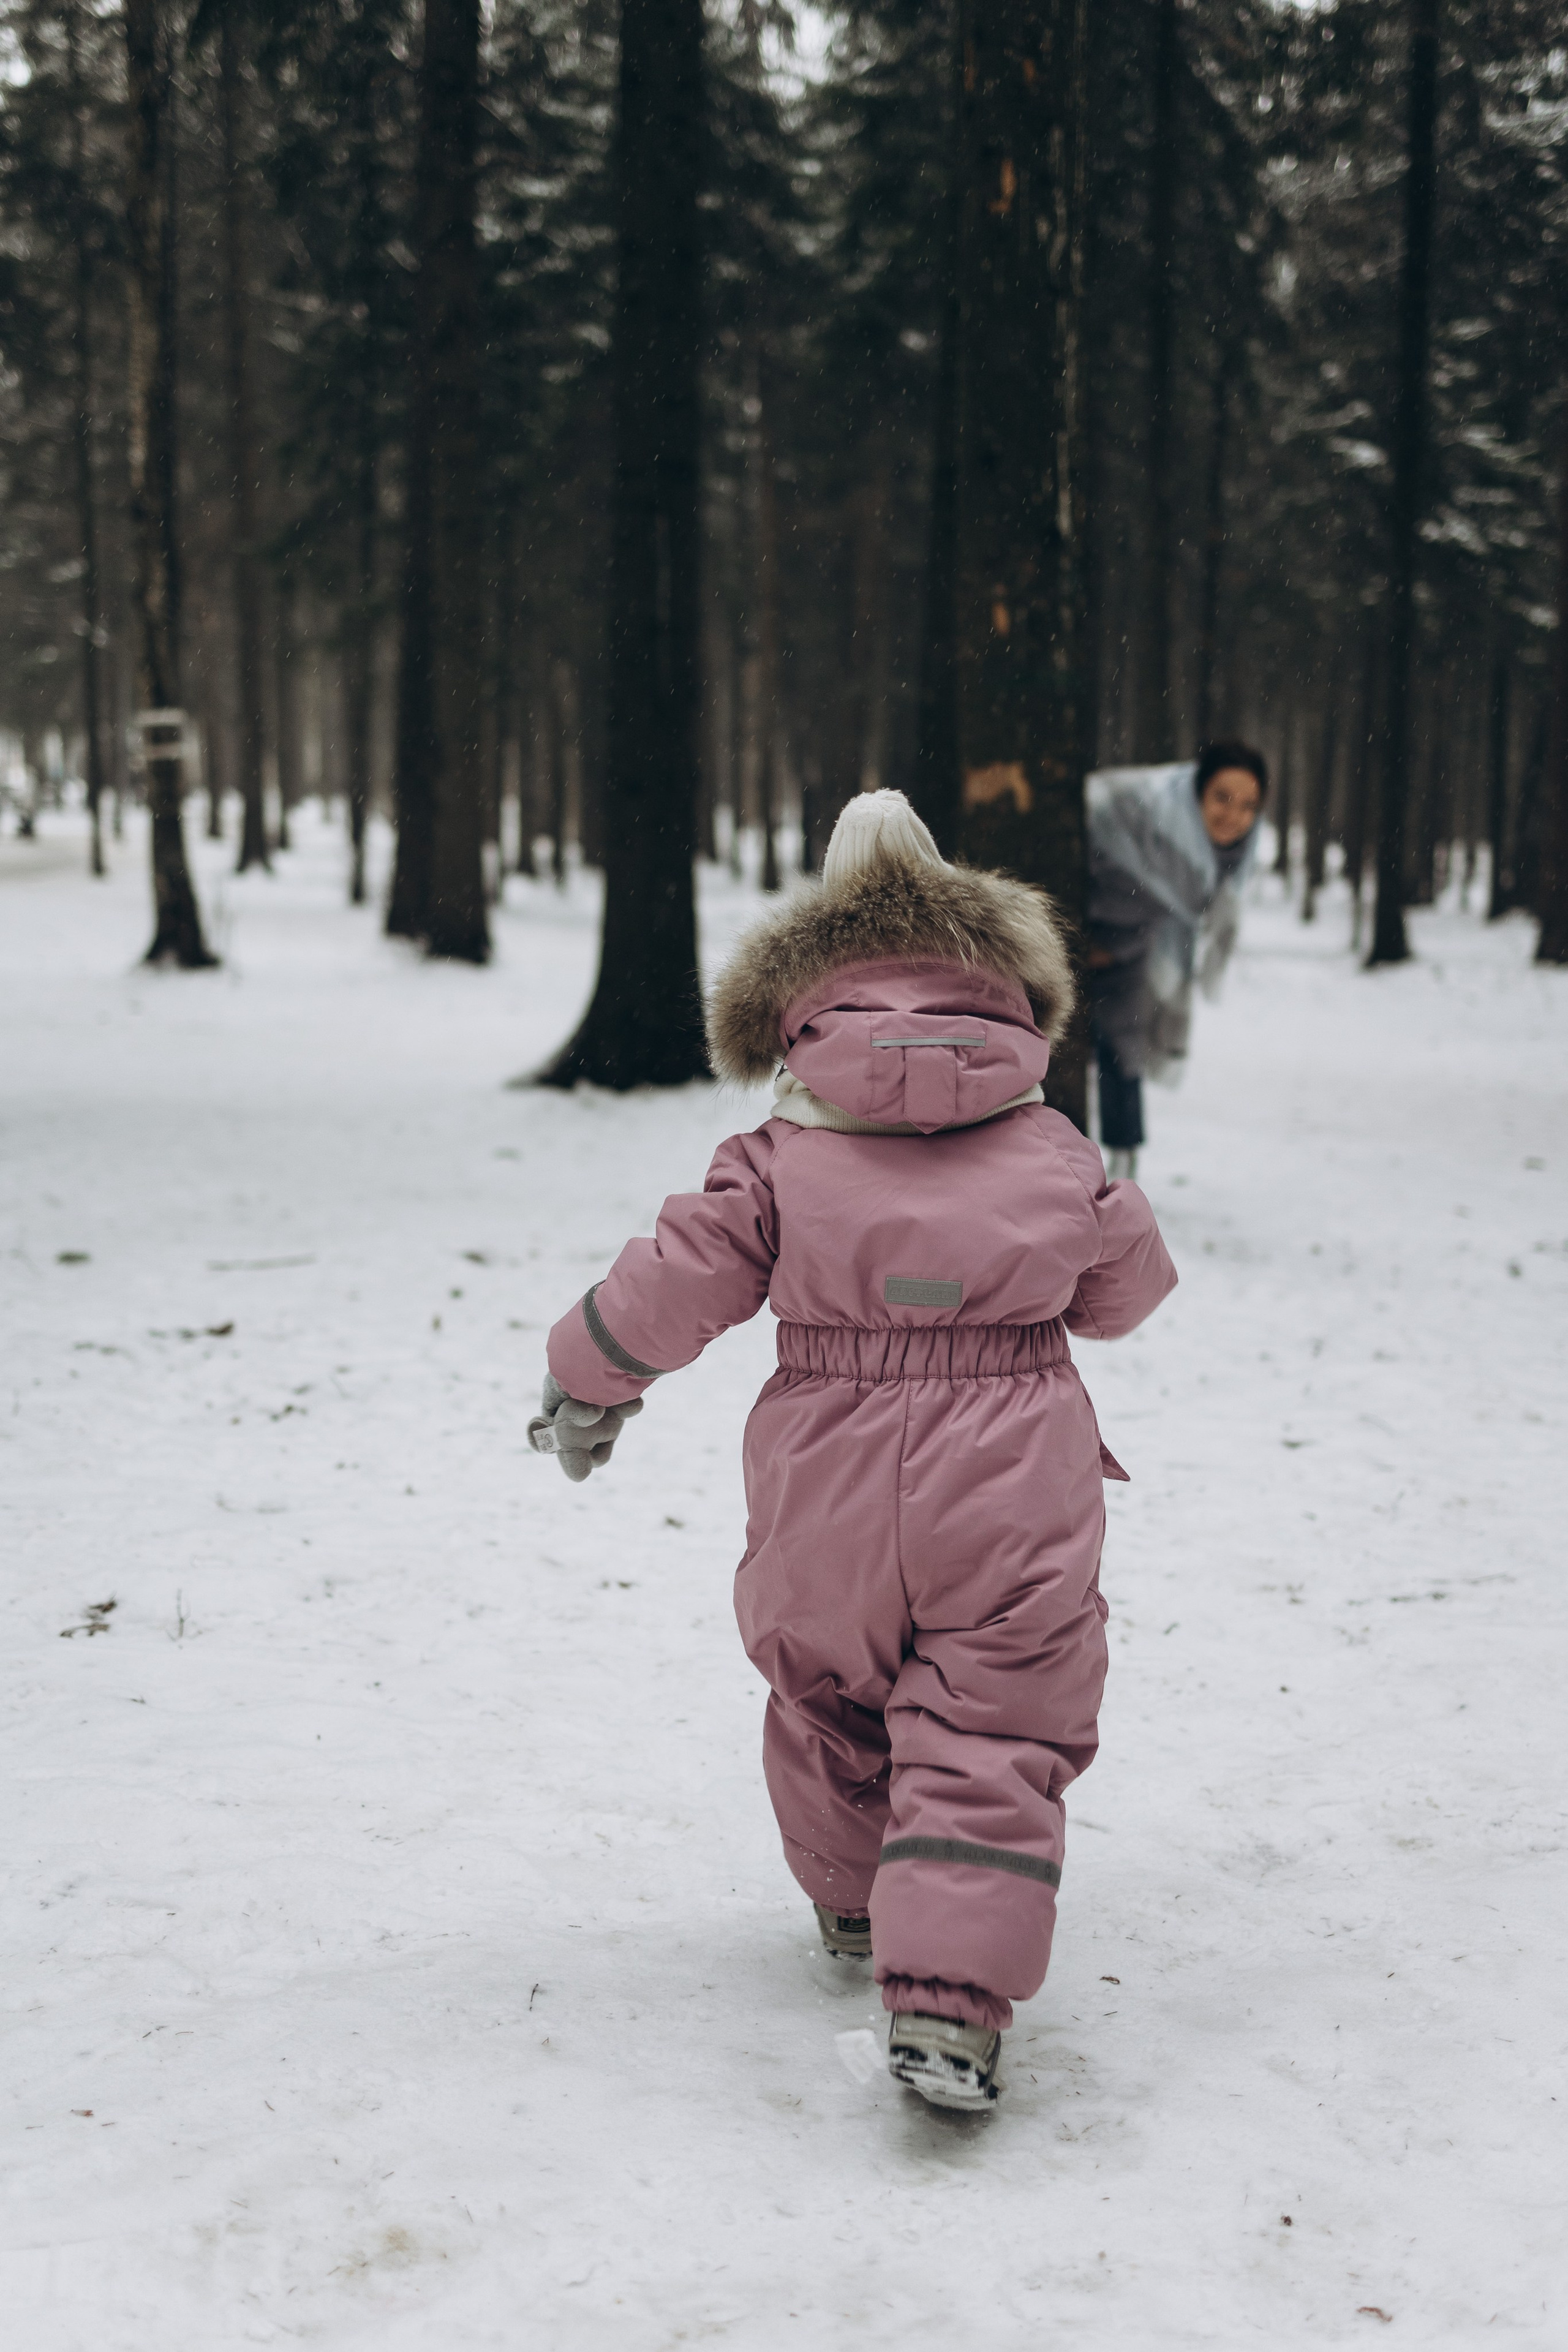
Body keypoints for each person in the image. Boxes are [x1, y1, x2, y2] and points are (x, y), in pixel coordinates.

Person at [528, 790, 1177, 2110]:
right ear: (996, 985)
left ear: (810, 987)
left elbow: (679, 1275)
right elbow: (1127, 1287)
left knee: (827, 1690)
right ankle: (946, 2009)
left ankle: (849, 1901)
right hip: (1008, 1470)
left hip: (825, 1465)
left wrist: (584, 1376)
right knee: (990, 1721)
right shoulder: (1050, 1141)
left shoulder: (775, 1149)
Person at [1086, 740, 1268, 1178]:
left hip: (1136, 945)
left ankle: (1123, 1159)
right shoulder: (1150, 811)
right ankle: (1056, 1160)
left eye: (1248, 806)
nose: (1233, 816)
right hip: (1081, 930)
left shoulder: (1233, 854)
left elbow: (1183, 902)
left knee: (1122, 1048)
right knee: (1058, 1049)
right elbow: (1094, 811)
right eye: (1222, 798)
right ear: (1197, 793)